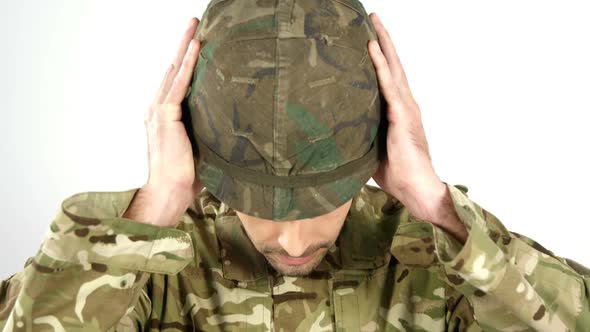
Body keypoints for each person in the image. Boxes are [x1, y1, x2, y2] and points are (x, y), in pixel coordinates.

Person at [1, 1, 589, 331]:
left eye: (320, 200)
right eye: (258, 203)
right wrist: (154, 204)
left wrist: (438, 206)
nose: (292, 238)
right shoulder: (150, 267)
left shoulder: (433, 259)